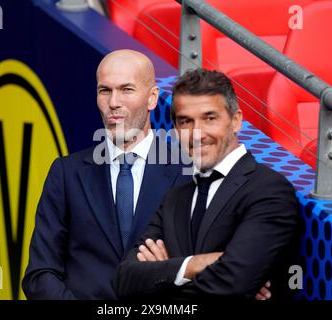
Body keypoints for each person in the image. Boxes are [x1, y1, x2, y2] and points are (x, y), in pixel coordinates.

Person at [113, 69, 301, 299]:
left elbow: (231, 286)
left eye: (209, 118)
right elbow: (124, 280)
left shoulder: (269, 190)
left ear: (236, 121)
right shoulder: (175, 198)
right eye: (186, 121)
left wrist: (166, 277)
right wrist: (192, 265)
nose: (197, 134)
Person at [22, 49, 191, 299]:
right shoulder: (67, 173)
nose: (114, 102)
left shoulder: (188, 172)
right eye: (105, 90)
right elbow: (40, 274)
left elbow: (208, 270)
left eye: (126, 89)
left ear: (152, 98)